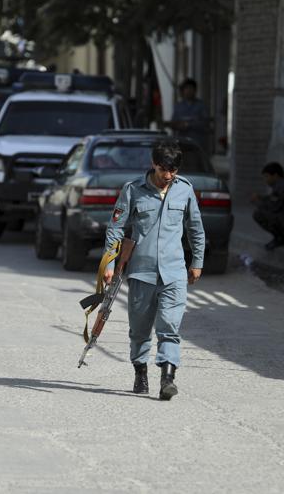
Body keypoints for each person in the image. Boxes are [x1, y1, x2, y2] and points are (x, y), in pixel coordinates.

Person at [103, 139, 206, 401]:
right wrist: (110, 263)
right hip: (141, 272)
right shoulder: (132, 190)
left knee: (169, 326)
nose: (168, 177)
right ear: (154, 165)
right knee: (139, 328)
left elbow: (195, 228)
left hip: (174, 273)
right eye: (163, 171)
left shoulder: (184, 189)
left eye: (173, 172)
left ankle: (167, 378)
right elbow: (116, 227)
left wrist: (197, 262)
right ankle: (140, 372)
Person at [252, 162, 284, 250]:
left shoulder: (282, 186)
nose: (265, 180)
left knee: (258, 214)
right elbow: (271, 199)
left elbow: (272, 207)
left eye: (267, 176)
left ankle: (281, 238)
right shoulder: (283, 184)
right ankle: (280, 238)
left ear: (275, 176)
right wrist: (260, 198)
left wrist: (257, 202)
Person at [166, 78, 210, 157]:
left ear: (195, 90)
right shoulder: (178, 106)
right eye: (186, 88)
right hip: (181, 143)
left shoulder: (201, 105)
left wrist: (189, 125)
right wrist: (178, 125)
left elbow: (205, 123)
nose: (189, 91)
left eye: (191, 88)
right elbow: (173, 123)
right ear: (183, 91)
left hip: (197, 143)